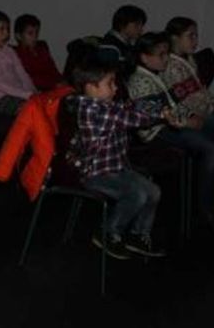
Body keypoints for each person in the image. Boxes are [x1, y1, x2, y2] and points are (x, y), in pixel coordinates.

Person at [128, 31, 214, 232]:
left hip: (172, 123)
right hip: (156, 131)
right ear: (144, 57)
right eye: (161, 55)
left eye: (166, 53)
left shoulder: (155, 74)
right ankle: (205, 209)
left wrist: (190, 116)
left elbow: (174, 103)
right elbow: (159, 115)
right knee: (211, 149)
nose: (166, 59)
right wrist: (187, 122)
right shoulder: (140, 81)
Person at [65, 57, 171, 258]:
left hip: (116, 169)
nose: (115, 88)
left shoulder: (105, 105)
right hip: (95, 174)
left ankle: (138, 236)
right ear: (91, 88)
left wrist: (150, 107)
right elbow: (132, 118)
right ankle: (108, 233)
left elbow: (126, 109)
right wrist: (162, 114)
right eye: (110, 84)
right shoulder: (92, 110)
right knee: (137, 195)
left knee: (153, 191)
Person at [163, 16, 214, 191]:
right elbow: (187, 101)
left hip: (207, 110)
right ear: (175, 38)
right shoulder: (171, 65)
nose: (195, 40)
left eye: (196, 36)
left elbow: (202, 90)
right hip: (192, 115)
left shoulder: (189, 60)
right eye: (190, 36)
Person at [13, 14, 63, 91]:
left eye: (36, 33)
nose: (34, 37)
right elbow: (28, 79)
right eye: (30, 33)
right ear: (18, 36)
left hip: (54, 87)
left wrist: (61, 82)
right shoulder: (16, 54)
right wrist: (53, 84)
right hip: (37, 91)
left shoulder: (41, 50)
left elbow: (53, 70)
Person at [99, 4, 147, 76]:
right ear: (122, 24)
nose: (141, 29)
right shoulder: (109, 47)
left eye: (141, 25)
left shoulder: (129, 45)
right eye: (136, 25)